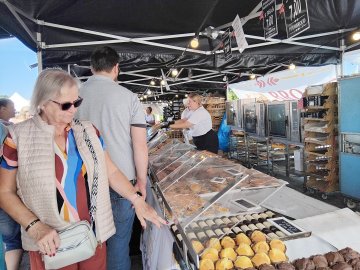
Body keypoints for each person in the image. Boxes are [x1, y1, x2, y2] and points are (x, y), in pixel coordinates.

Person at [0, 69, 166, 270]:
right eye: (65, 105)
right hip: (51, 242)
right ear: (42, 102)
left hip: (92, 235)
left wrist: (136, 199)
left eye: (76, 102)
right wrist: (34, 227)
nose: (73, 110)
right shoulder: (17, 137)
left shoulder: (88, 131)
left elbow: (111, 171)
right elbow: (5, 192)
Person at [76, 46, 149, 270]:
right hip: (123, 182)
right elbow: (139, 145)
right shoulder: (129, 98)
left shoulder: (74, 96)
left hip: (83, 181)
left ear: (91, 67)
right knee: (118, 245)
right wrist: (141, 183)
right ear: (116, 68)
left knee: (87, 244)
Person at [0, 98, 23, 270]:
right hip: (5, 188)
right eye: (12, 107)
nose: (14, 111)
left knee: (8, 239)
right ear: (1, 109)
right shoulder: (6, 130)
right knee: (13, 239)